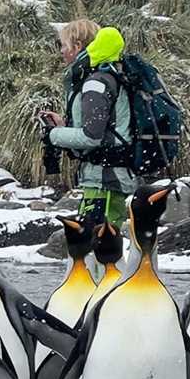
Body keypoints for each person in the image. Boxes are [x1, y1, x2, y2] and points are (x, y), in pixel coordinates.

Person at [41, 21, 134, 227]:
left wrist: (54, 135)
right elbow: (104, 126)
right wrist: (64, 125)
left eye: (64, 45)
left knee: (97, 246)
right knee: (101, 247)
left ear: (78, 46)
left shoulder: (96, 82)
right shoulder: (105, 76)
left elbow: (92, 136)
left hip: (105, 179)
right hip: (105, 178)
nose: (62, 52)